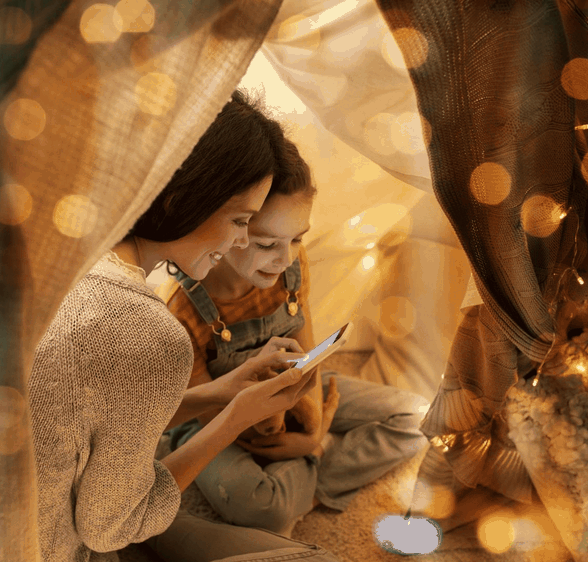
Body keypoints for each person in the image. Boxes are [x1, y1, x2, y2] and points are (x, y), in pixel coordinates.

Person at [27, 91, 330, 562]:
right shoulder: (148, 329)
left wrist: (223, 391)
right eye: (241, 220)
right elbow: (109, 529)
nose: (242, 240)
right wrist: (234, 419)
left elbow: (90, 415)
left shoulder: (62, 254)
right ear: (185, 199)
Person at [155, 131, 431, 540]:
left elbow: (309, 347)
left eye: (297, 238)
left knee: (417, 415)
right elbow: (212, 412)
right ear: (230, 229)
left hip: (293, 391)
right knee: (263, 507)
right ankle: (298, 488)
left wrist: (314, 431)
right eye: (267, 243)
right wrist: (286, 433)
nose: (285, 258)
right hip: (224, 422)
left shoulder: (290, 265)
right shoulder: (181, 308)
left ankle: (305, 486)